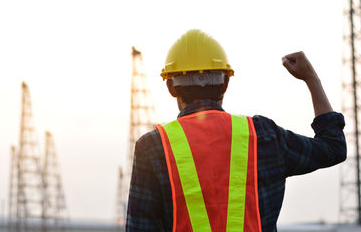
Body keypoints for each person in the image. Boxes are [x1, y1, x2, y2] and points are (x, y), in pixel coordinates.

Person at [126, 29, 346, 232]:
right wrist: (312, 79)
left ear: (171, 87)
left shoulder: (154, 147)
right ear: (225, 84)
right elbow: (333, 147)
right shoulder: (263, 135)